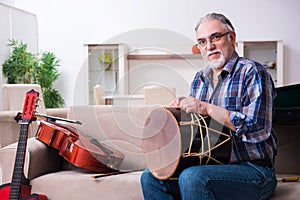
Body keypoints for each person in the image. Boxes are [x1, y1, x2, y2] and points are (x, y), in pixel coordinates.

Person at [140, 13, 277, 200]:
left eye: (215, 37)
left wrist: (206, 108)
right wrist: (179, 113)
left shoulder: (252, 72)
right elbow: (196, 133)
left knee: (193, 177)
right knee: (150, 177)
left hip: (254, 170)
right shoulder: (199, 80)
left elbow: (258, 129)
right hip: (210, 166)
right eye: (202, 42)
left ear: (232, 37)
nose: (209, 46)